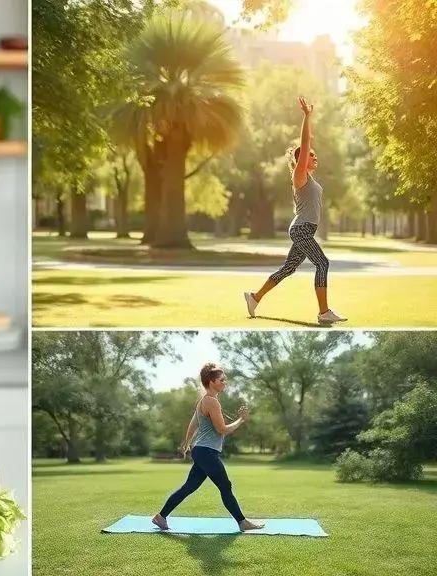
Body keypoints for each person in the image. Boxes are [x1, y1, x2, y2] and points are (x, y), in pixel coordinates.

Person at [244, 97, 347, 325]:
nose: (314, 156)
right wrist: (306, 117)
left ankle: (254, 297)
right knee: (323, 263)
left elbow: (308, 146)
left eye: (314, 154)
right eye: (311, 154)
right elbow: (306, 141)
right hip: (301, 229)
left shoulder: (309, 178)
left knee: (288, 268)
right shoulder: (299, 174)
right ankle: (324, 313)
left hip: (304, 230)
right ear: (301, 159)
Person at [152, 363, 263, 532]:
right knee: (225, 486)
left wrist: (187, 443)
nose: (225, 382)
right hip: (207, 452)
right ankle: (242, 522)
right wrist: (241, 419)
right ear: (212, 382)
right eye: (222, 379)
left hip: (201, 451)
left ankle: (161, 517)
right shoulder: (211, 401)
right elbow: (222, 430)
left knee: (189, 487)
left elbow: (193, 424)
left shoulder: (204, 401)